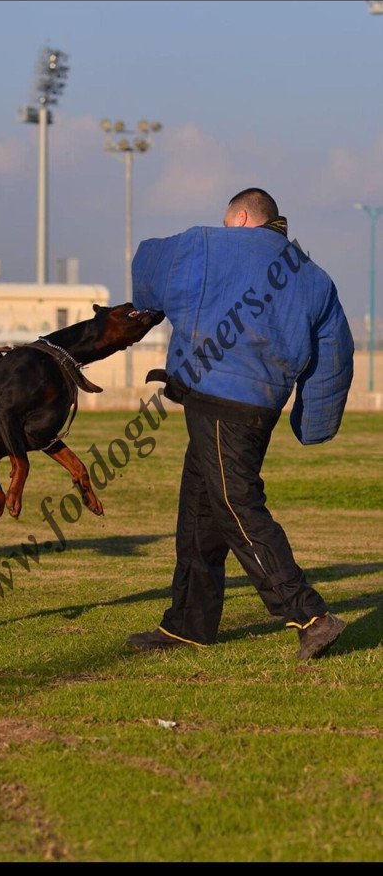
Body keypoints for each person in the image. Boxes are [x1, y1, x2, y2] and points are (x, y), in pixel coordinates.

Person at [127, 188, 354, 660]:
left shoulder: (211, 244)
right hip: (260, 406)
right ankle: (188, 624)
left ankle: (310, 615)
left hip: (217, 398)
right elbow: (335, 354)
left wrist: (148, 303)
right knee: (200, 512)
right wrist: (314, 422)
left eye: (228, 222)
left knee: (235, 505)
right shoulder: (314, 277)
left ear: (243, 217)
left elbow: (150, 264)